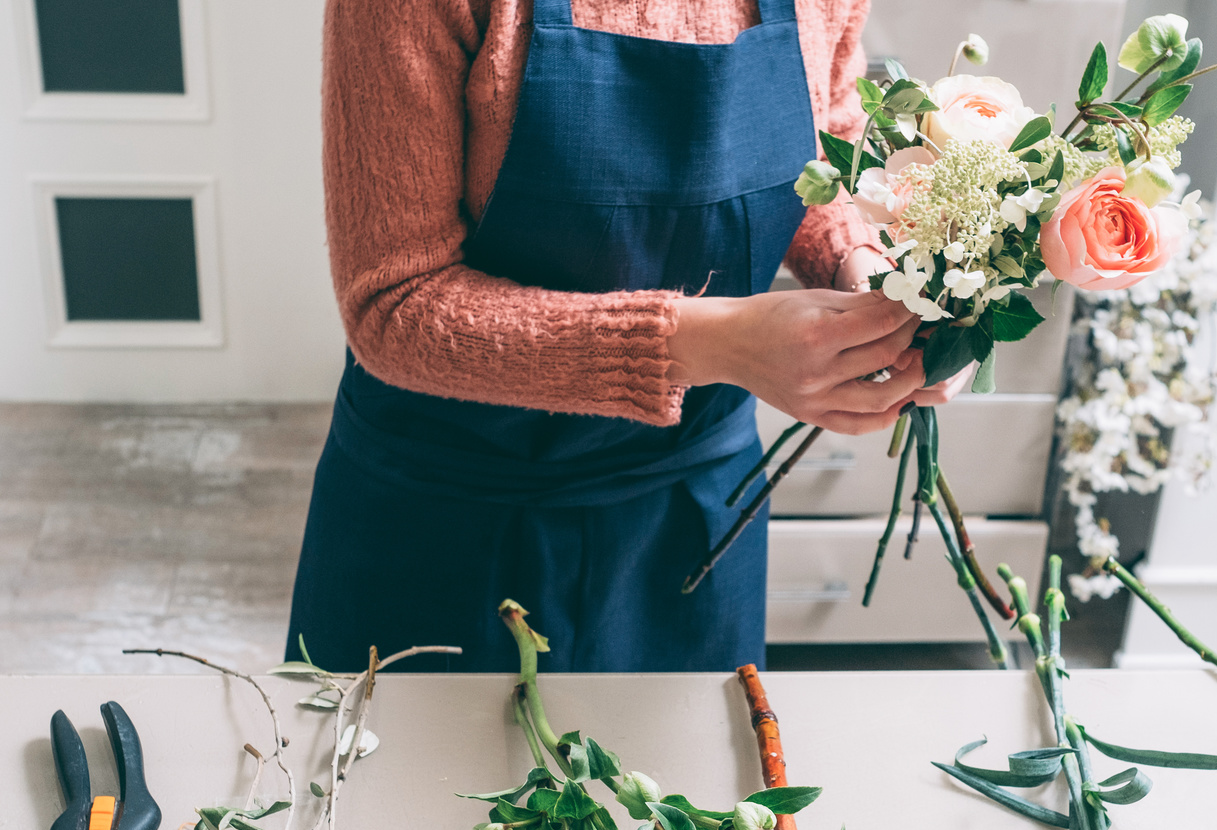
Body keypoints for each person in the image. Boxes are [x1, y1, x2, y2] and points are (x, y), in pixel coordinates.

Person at [286, 0, 967, 674]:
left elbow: (822, 142)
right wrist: (714, 342)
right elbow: (395, 303)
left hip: (694, 513)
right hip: (447, 519)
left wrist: (872, 275)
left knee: (688, 778)